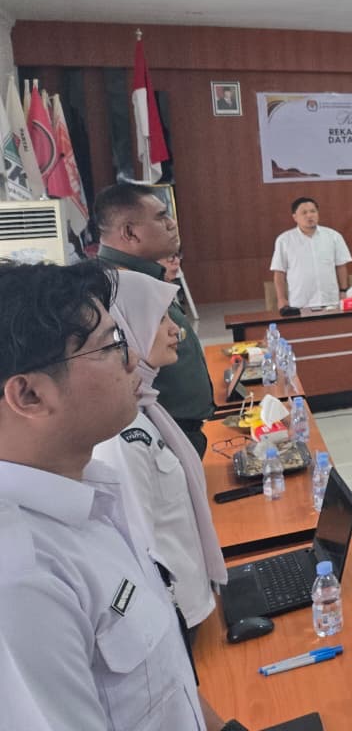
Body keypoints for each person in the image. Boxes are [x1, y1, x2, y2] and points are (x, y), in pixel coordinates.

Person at [0, 260, 229, 731]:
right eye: (111, 345)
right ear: (29, 396)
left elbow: (162, 679)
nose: (132, 361)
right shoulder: (23, 582)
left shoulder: (90, 493)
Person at [93, 270, 228, 634]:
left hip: (195, 601)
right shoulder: (122, 434)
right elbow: (141, 546)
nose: (176, 331)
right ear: (126, 328)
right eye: (161, 319)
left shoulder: (146, 405)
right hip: (177, 618)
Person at [95, 184, 214, 457]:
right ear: (129, 232)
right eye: (161, 217)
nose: (172, 224)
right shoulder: (115, 286)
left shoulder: (144, 276)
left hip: (177, 428)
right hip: (156, 433)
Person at [270, 196, 352, 310]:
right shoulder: (284, 240)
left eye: (313, 211)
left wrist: (343, 291)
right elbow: (279, 272)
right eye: (304, 212)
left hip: (330, 301)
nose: (309, 215)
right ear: (295, 217)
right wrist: (281, 299)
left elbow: (341, 266)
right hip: (300, 303)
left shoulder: (333, 236)